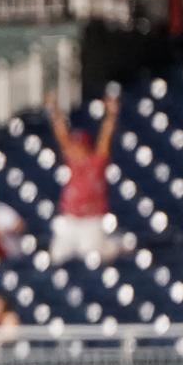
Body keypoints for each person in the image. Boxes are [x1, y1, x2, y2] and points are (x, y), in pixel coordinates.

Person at [47, 90, 122, 264]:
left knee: (91, 256)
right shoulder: (71, 161)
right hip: (71, 218)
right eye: (74, 144)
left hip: (91, 220)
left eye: (78, 145)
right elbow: (61, 134)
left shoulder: (97, 162)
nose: (74, 147)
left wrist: (111, 115)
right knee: (56, 256)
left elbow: (105, 137)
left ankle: (115, 245)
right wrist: (53, 110)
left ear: (86, 146)